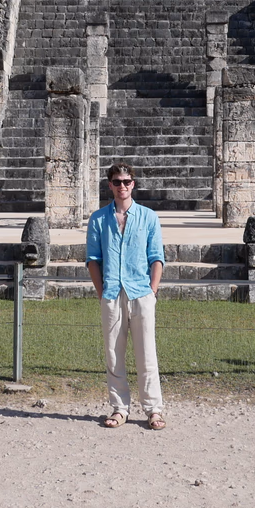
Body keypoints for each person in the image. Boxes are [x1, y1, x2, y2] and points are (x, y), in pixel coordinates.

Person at [85, 162, 166, 430]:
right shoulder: (98, 219)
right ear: (110, 185)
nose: (123, 186)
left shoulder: (149, 217)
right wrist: (101, 293)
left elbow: (157, 258)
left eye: (127, 181)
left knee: (146, 353)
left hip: (141, 292)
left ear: (134, 184)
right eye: (117, 182)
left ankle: (154, 409)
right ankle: (120, 408)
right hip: (111, 293)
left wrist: (152, 292)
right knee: (113, 355)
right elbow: (93, 260)